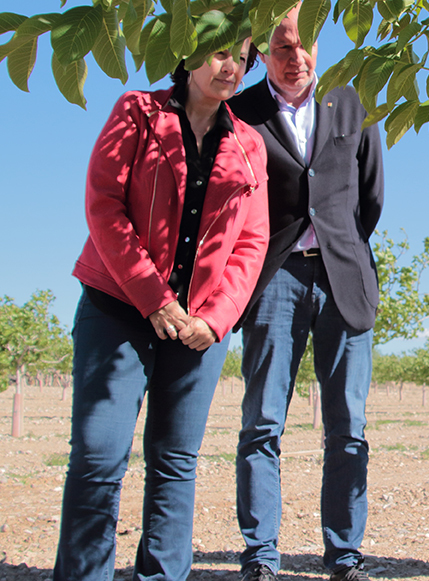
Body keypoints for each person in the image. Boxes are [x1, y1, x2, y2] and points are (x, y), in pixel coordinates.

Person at [54, 39, 269, 581]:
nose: (231, 68)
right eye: (220, 52)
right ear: (189, 53)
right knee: (99, 458)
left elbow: (252, 242)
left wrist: (215, 320)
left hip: (197, 327)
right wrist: (153, 298)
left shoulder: (249, 145)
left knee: (175, 465)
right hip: (119, 308)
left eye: (243, 59)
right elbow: (104, 204)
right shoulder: (137, 110)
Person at [228, 6, 384, 581]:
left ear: (318, 45)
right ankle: (260, 555)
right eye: (281, 48)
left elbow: (370, 201)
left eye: (302, 46)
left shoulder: (354, 101)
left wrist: (343, 252)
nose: (294, 58)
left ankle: (345, 555)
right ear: (262, 54)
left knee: (348, 427)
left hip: (343, 280)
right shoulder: (240, 112)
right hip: (273, 279)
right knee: (262, 423)